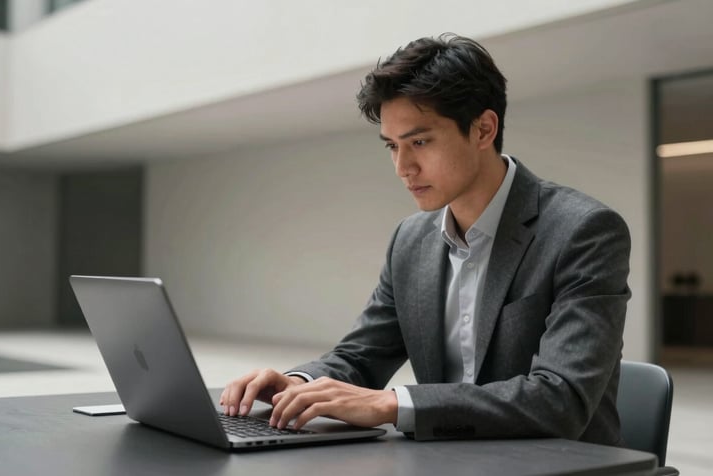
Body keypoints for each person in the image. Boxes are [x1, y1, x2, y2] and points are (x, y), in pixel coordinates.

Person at [220, 33, 631, 445]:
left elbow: (560, 400)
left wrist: (392, 405)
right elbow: (361, 356)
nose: (403, 167)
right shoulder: (410, 240)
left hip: (560, 464)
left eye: (419, 142)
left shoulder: (583, 231)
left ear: (484, 129)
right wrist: (298, 382)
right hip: (445, 460)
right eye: (392, 146)